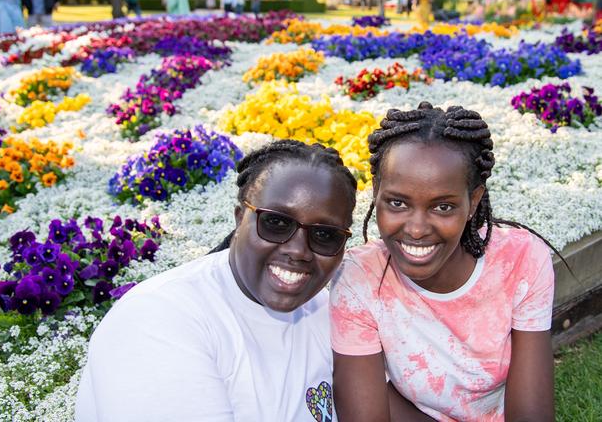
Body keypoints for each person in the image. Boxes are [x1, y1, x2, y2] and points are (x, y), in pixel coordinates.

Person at [75, 140, 357, 421]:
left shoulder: (323, 309)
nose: (298, 250)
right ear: (239, 218)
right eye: (276, 223)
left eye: (325, 235)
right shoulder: (157, 319)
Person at [331, 102, 556, 422]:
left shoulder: (519, 262)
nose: (417, 229)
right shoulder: (359, 278)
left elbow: (531, 415)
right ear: (376, 191)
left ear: (473, 199)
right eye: (397, 202)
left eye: (443, 207)